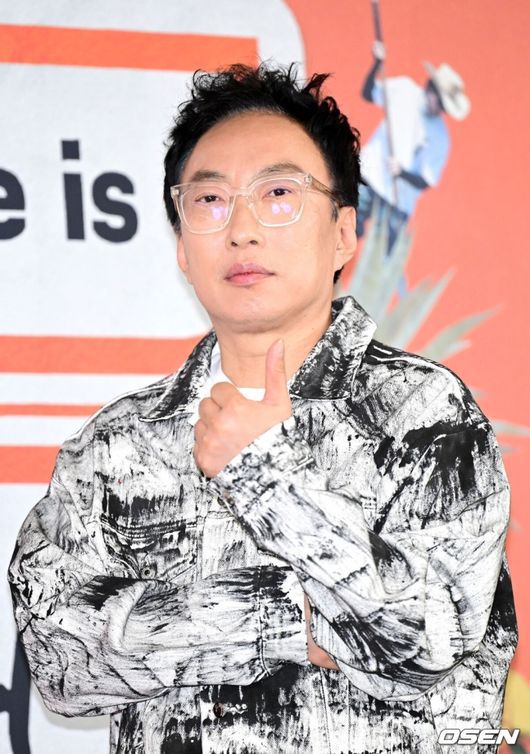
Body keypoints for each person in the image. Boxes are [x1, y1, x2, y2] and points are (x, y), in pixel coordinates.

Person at [8, 63, 516, 754]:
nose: (241, 228)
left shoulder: (425, 413)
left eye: (279, 194)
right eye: (210, 200)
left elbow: (428, 643)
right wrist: (286, 619)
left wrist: (262, 474)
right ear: (182, 245)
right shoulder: (117, 445)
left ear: (343, 233)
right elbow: (61, 665)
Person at [357, 41, 471, 257]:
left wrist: (402, 173)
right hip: (368, 177)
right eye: (440, 102)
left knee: (382, 261)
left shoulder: (441, 137)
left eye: (445, 107)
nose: (440, 110)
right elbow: (368, 93)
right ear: (431, 88)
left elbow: (426, 180)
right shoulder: (404, 89)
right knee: (342, 233)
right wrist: (377, 64)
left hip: (397, 204)